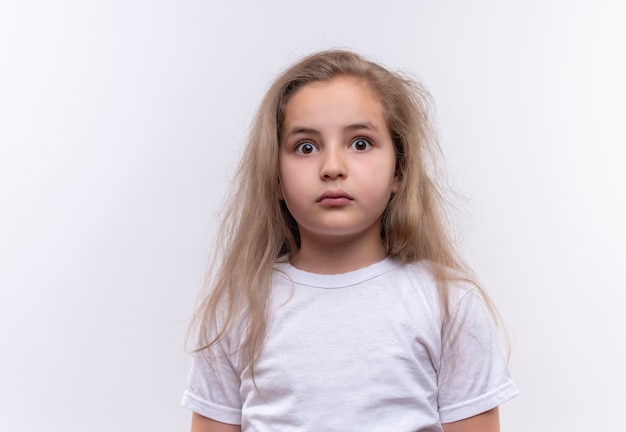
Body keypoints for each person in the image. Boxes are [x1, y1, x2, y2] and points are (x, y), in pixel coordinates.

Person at [182, 50, 518, 432]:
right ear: (274, 176)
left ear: (399, 171)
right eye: (306, 147)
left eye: (360, 143)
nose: (332, 168)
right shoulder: (237, 306)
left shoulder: (448, 303)